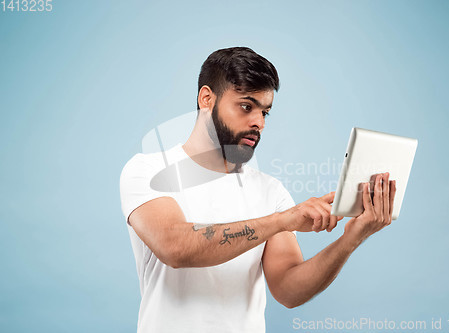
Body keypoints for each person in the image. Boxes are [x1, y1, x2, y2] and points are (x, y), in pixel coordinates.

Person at [119, 47, 396, 333]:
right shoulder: (148, 170)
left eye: (265, 112)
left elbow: (288, 290)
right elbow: (175, 247)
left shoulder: (270, 191)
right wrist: (282, 220)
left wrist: (349, 240)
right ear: (206, 99)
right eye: (246, 106)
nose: (259, 123)